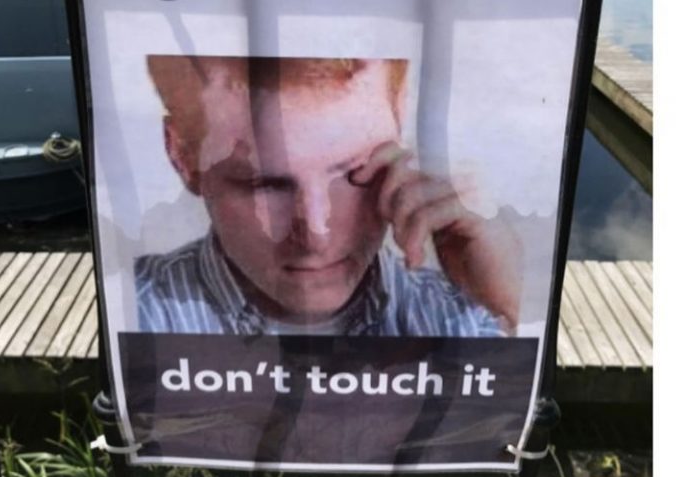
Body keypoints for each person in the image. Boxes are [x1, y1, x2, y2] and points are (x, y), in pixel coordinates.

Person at [136, 55, 522, 336]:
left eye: (353, 173)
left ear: (399, 112)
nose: (316, 236)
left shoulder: (475, 315)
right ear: (182, 156)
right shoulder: (130, 315)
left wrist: (508, 313)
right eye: (265, 185)